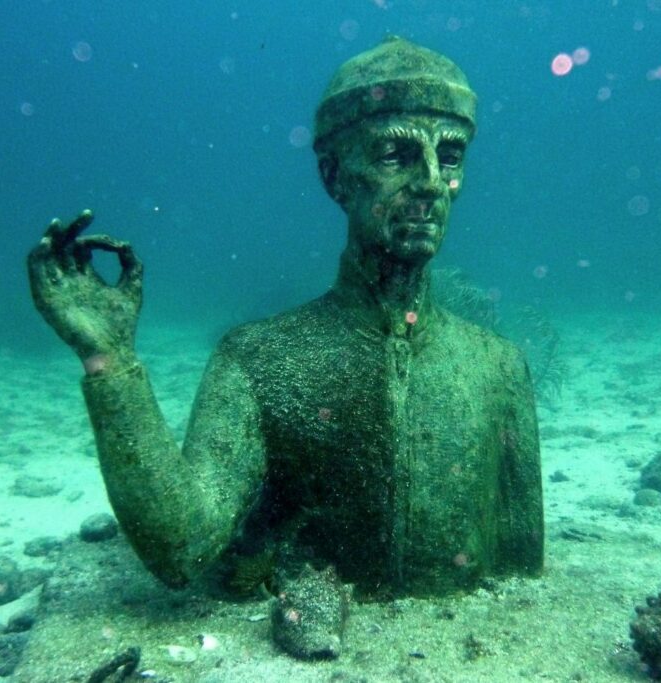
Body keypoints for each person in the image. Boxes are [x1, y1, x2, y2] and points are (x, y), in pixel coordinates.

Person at [27, 36, 543, 659]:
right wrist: (110, 361)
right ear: (334, 176)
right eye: (394, 155)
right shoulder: (259, 360)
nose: (432, 183)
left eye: (450, 155)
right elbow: (181, 548)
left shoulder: (497, 367)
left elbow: (522, 568)